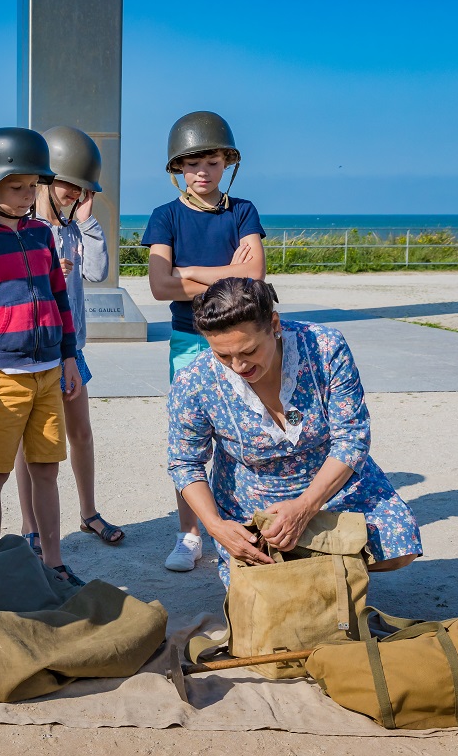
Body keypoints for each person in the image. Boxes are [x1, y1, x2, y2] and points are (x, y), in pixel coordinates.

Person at [167, 277, 421, 587]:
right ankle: (324, 574)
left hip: (333, 487)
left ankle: (333, 572)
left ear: (273, 324)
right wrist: (216, 526)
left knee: (399, 545)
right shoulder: (194, 380)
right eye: (223, 355)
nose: (237, 366)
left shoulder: (325, 348)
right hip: (252, 503)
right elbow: (185, 461)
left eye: (248, 351)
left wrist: (305, 507)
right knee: (274, 590)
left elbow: (351, 438)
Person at [0, 127, 84, 585]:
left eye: (32, 185)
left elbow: (60, 299)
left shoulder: (43, 236)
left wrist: (68, 357)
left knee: (46, 470)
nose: (27, 195)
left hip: (49, 372)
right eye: (15, 186)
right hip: (1, 376)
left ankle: (54, 561)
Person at [141, 111, 267, 572]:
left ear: (226, 163)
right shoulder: (165, 216)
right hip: (189, 339)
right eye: (192, 163)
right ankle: (190, 533)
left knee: (252, 429)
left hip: (244, 336)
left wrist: (190, 273)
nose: (201, 172)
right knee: (190, 438)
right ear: (177, 169)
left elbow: (254, 275)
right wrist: (225, 274)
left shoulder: (243, 211)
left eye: (211, 162)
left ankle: (250, 521)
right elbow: (158, 284)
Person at [14, 125, 122, 554]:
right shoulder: (27, 228)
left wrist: (88, 221)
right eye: (67, 185)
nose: (73, 194)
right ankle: (30, 525)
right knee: (32, 443)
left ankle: (89, 511)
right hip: (37, 346)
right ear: (45, 179)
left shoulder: (74, 229)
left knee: (81, 432)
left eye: (80, 188)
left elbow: (97, 272)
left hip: (71, 347)